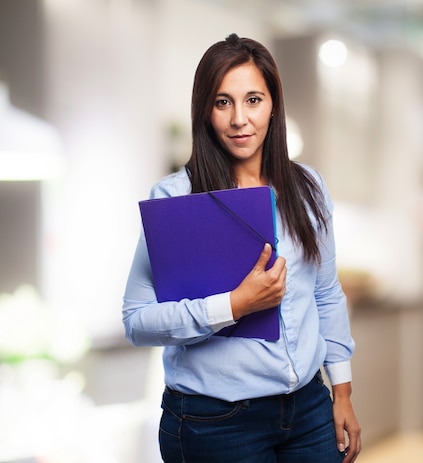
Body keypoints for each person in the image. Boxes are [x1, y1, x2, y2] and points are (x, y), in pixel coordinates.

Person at [122, 33, 361, 463]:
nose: (239, 119)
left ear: (273, 106)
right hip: (215, 423)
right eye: (222, 102)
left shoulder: (308, 188)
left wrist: (340, 390)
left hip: (308, 410)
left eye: (253, 100)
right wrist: (233, 305)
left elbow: (325, 294)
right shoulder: (175, 200)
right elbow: (137, 321)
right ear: (205, 110)